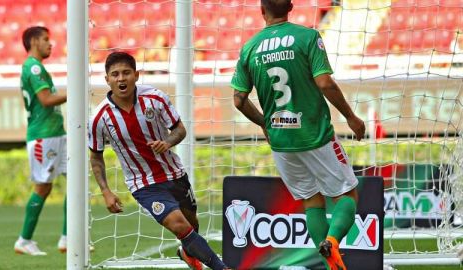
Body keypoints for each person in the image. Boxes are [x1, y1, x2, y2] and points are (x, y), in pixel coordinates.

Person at [231, 1, 366, 269]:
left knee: (311, 200)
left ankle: (330, 264)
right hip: (315, 135)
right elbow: (325, 82)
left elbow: (238, 99)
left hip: (281, 141)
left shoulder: (249, 48)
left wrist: (264, 124)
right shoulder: (307, 36)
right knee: (347, 196)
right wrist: (351, 116)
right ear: (291, 6)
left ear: (261, 10)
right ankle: (332, 241)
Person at [88, 51, 230, 270]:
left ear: (136, 75)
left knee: (191, 225)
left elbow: (179, 129)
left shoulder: (155, 98)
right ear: (107, 79)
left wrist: (168, 142)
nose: (121, 78)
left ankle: (186, 252)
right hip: (143, 183)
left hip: (174, 174)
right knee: (179, 225)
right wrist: (105, 190)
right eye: (115, 74)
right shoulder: (99, 118)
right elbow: (96, 156)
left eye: (126, 73)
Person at [14, 26, 68, 256]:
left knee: (76, 182)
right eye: (46, 39)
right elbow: (46, 99)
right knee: (43, 187)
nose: (50, 44)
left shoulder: (38, 67)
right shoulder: (33, 66)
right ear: (34, 41)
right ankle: (24, 240)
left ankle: (68, 238)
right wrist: (75, 92)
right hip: (43, 136)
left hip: (56, 133)